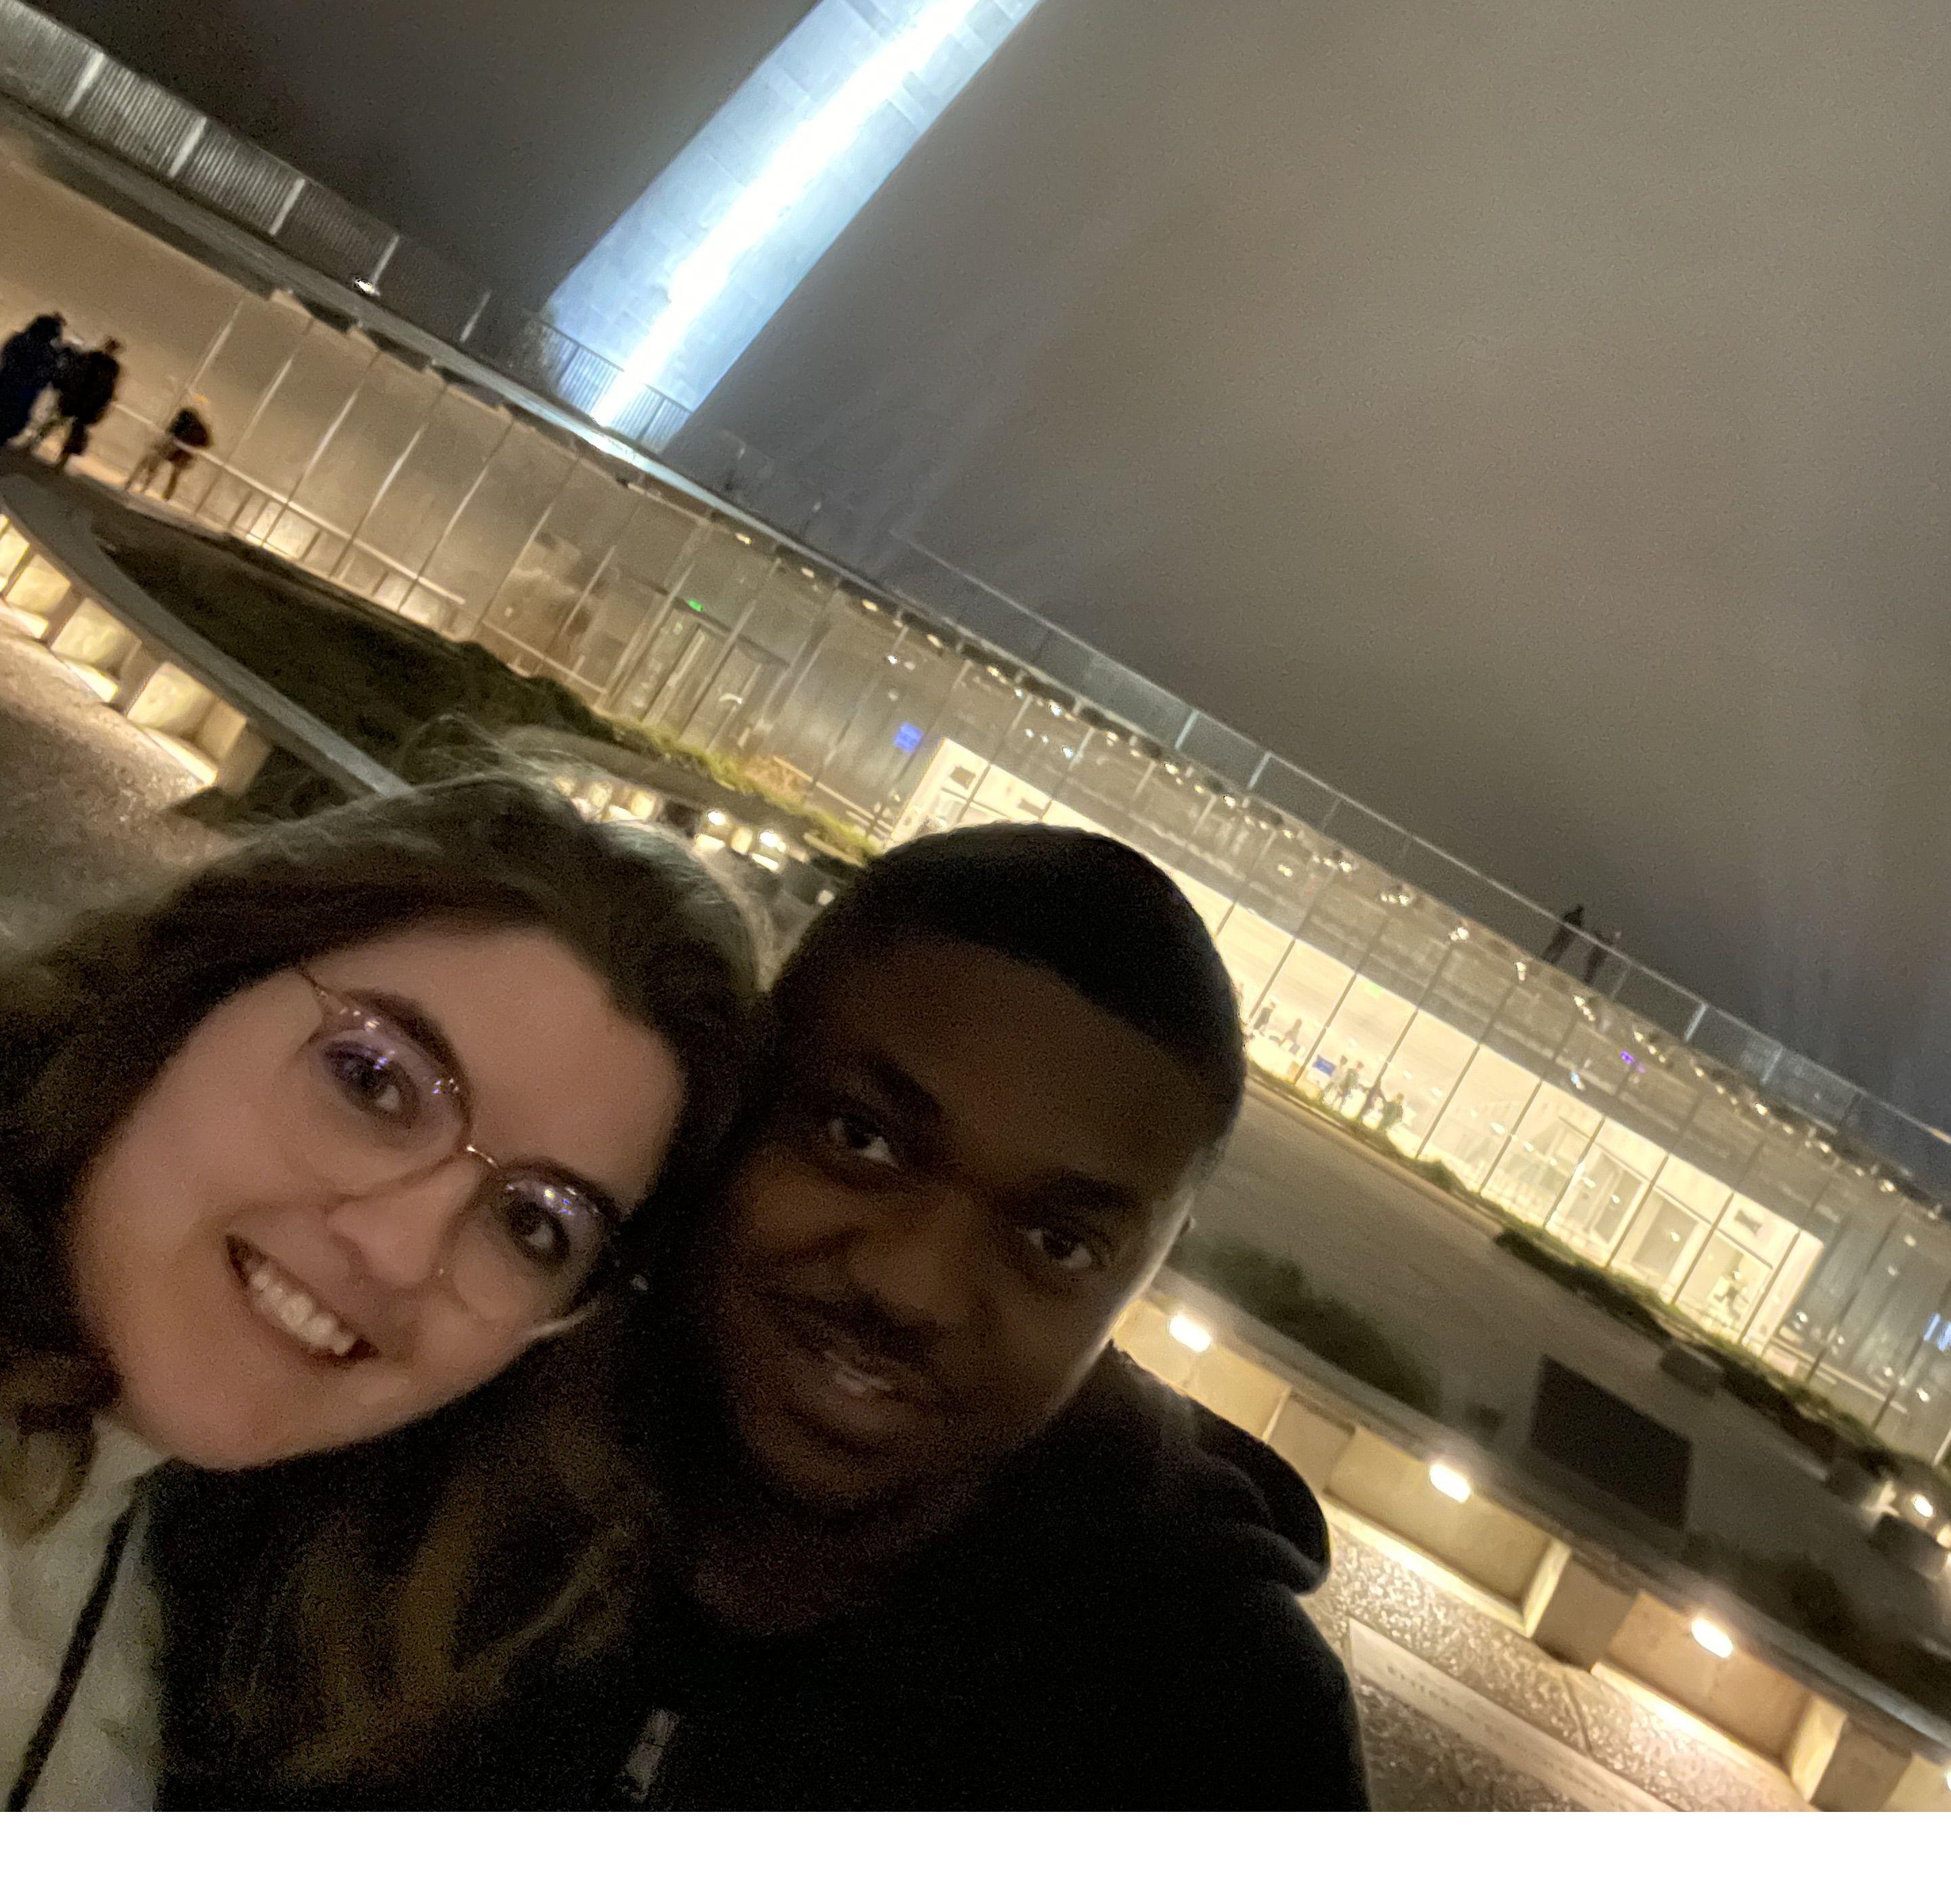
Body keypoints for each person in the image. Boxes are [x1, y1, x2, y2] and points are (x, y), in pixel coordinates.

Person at [163, 822, 1370, 1810]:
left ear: (1133, 1290)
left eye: (1055, 1242)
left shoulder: (1216, 1739)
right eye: (862, 1138)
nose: (912, 1284)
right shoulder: (423, 1390)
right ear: (740, 1095)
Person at [3, 774, 762, 1809]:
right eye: (373, 1081)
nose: (403, 1252)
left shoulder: (203, 1642)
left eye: (533, 1225)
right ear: (192, 985)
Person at [42, 336, 123, 469]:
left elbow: (108, 388)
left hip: (87, 401)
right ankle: (51, 453)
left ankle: (61, 460)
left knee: (72, 429)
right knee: (63, 424)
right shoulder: (98, 360)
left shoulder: (102, 362)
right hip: (81, 398)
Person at [0, 313, 69, 450]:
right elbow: (50, 375)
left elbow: (6, 355)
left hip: (8, 382)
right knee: (11, 423)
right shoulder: (48, 353)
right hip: (24, 392)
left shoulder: (22, 340)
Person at [127, 397, 213, 502]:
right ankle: (164, 496)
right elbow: (207, 443)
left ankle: (137, 483)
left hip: (176, 447)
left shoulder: (186, 415)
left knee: (154, 461)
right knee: (175, 474)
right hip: (185, 452)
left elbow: (171, 430)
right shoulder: (201, 426)